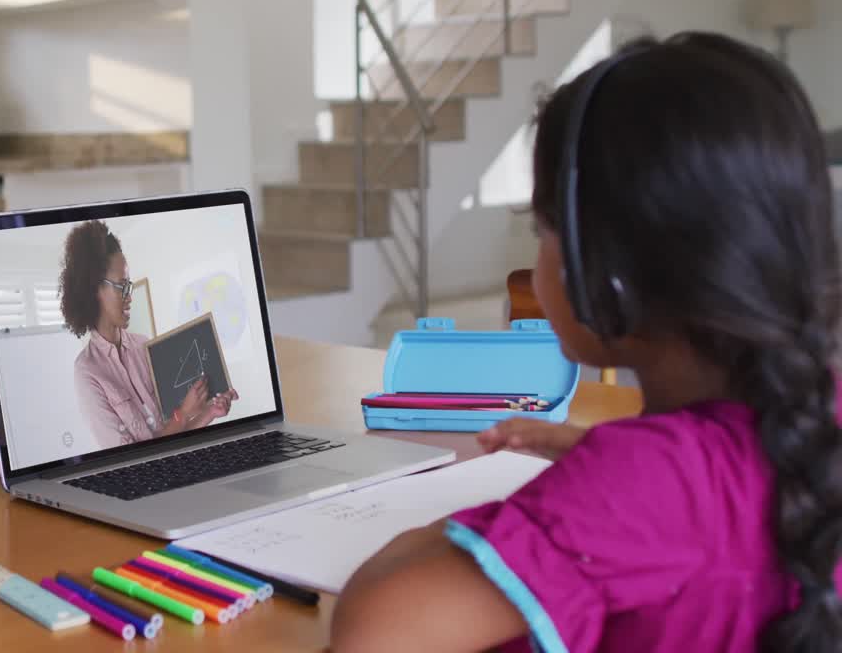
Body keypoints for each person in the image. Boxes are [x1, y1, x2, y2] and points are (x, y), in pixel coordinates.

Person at [331, 32, 842, 652]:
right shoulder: (811, 419)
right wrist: (602, 462)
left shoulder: (647, 484)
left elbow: (374, 634)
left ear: (610, 269)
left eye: (542, 226)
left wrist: (539, 511)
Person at [60, 220, 238, 448]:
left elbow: (174, 436)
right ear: (95, 289)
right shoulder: (87, 372)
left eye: (129, 286)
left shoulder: (144, 346)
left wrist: (209, 413)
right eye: (121, 286)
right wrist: (183, 413)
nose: (129, 295)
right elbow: (128, 459)